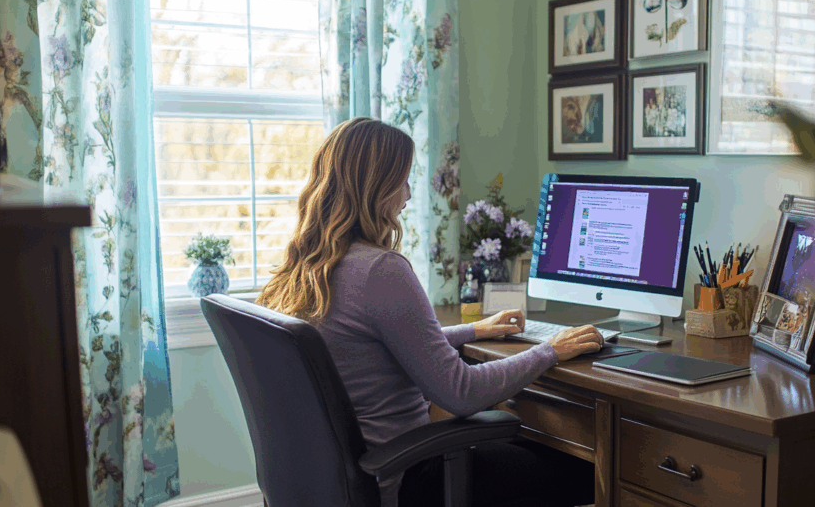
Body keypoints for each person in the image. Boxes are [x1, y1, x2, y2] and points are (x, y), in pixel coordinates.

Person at [257, 117, 602, 507]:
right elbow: (461, 392)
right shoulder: (380, 270)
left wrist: (471, 332)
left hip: (340, 479)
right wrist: (549, 350)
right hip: (405, 477)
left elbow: (368, 345)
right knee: (589, 470)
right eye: (402, 181)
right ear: (375, 188)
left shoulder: (308, 267)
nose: (407, 194)